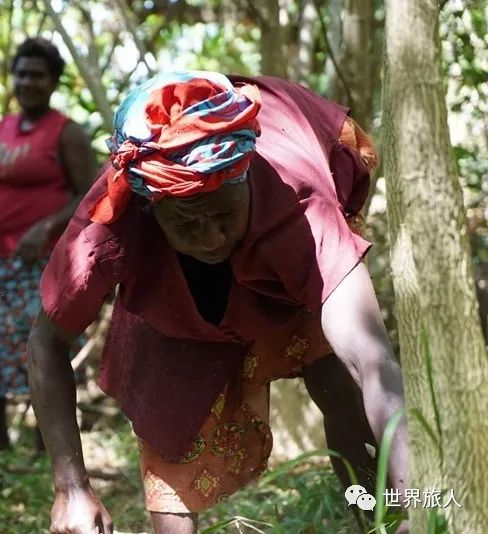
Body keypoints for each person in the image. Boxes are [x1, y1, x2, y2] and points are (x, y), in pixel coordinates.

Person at [28, 71, 409, 534]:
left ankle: (386, 517)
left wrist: (422, 503)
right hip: (173, 298)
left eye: (225, 215)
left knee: (338, 389)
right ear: (150, 211)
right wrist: (71, 490)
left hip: (283, 265)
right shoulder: (109, 227)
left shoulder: (301, 206)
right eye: (187, 224)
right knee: (169, 431)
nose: (211, 239)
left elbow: (372, 361)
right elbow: (46, 343)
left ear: (245, 182)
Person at [0, 37, 95, 452]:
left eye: (37, 75)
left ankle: (47, 447)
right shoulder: (2, 129)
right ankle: (1, 446)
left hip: (41, 265)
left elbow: (91, 193)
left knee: (43, 353)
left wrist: (46, 226)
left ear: (54, 82)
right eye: (21, 74)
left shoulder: (67, 133)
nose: (27, 82)